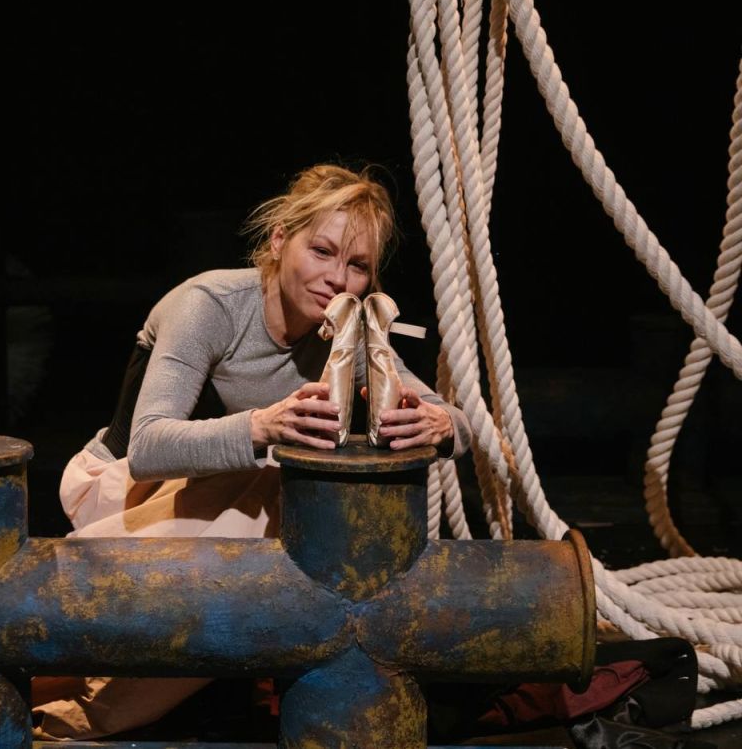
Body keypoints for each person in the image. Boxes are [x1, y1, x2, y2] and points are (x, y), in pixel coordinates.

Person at [32, 163, 472, 741]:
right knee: (279, 486)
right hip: (117, 493)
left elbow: (456, 420)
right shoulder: (212, 304)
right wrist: (263, 427)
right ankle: (74, 697)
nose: (337, 279)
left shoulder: (346, 333)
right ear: (280, 240)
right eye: (321, 251)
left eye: (358, 266)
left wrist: (439, 425)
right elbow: (148, 446)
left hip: (227, 513)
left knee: (313, 492)